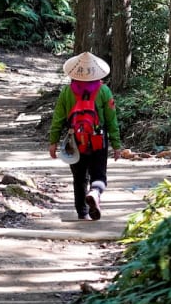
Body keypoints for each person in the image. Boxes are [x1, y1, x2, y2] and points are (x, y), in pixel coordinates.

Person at [48, 51, 122, 220]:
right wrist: (117, 145)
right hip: (98, 139)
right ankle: (95, 192)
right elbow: (111, 120)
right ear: (96, 71)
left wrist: (53, 142)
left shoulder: (67, 92)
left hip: (74, 140)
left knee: (79, 177)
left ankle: (82, 212)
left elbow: (58, 118)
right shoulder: (104, 91)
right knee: (99, 175)